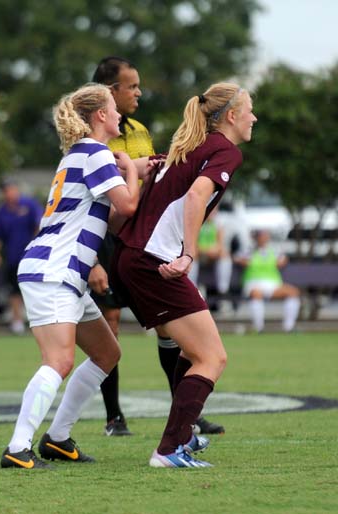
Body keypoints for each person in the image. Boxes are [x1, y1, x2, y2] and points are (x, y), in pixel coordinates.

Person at [110, 82, 257, 467]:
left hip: (133, 258)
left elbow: (182, 201)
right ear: (231, 116)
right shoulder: (225, 150)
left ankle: (183, 436)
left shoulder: (190, 146)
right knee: (212, 358)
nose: (254, 117)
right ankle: (168, 449)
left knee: (196, 354)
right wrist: (190, 254)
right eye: (250, 110)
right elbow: (195, 197)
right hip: (151, 261)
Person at [0, 83, 144, 469]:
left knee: (107, 352)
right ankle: (17, 448)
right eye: (114, 107)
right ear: (100, 115)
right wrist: (131, 168)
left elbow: (110, 219)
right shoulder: (96, 153)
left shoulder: (80, 155)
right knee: (59, 360)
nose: (119, 114)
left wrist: (134, 171)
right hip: (53, 270)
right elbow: (128, 205)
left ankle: (58, 439)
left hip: (64, 272)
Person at [90, 56, 224, 437]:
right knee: (110, 327)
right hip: (106, 240)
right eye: (131, 86)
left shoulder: (139, 129)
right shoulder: (92, 133)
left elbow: (154, 179)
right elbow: (106, 181)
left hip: (143, 238)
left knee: (168, 328)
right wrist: (93, 263)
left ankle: (184, 412)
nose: (138, 92)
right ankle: (113, 416)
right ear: (109, 92)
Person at [0, 180, 43, 334]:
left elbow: (40, 225)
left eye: (11, 190)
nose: (9, 194)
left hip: (33, 256)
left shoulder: (29, 205)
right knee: (14, 290)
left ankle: (40, 321)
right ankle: (17, 321)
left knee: (36, 288)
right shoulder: (2, 212)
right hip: (13, 257)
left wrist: (35, 247)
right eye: (6, 191)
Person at [234, 229, 300, 333]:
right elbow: (237, 258)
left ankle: (289, 327)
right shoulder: (248, 250)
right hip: (254, 283)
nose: (264, 239)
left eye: (266, 236)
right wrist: (244, 261)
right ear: (256, 238)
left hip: (273, 284)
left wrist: (282, 261)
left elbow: (283, 259)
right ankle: (259, 328)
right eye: (261, 236)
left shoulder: (273, 250)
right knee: (256, 294)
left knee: (293, 292)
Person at [188, 206, 234, 304]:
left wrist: (215, 250)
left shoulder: (218, 224)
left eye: (215, 210)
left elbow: (220, 243)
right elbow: (192, 243)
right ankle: (192, 287)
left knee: (224, 255)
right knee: (192, 255)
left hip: (212, 254)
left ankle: (223, 289)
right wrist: (205, 250)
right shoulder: (197, 223)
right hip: (199, 253)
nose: (212, 213)